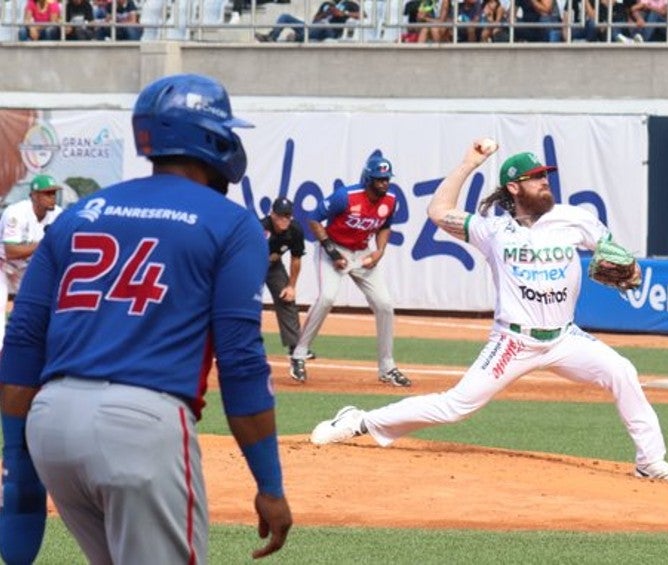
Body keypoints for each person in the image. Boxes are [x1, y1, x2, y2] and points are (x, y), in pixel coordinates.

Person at [0, 73, 292, 564]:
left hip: (51, 426)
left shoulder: (80, 213)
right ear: (212, 140)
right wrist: (270, 485)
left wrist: (18, 470)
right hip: (141, 426)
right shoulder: (232, 222)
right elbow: (241, 361)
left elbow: (23, 343)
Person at [308, 143, 668, 484]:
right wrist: (467, 163)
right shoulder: (490, 230)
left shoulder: (574, 219)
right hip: (513, 340)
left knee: (622, 371)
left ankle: (650, 461)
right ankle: (359, 421)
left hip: (564, 337)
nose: (545, 182)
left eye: (546, 176)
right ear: (514, 187)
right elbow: (438, 210)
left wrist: (631, 270)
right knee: (456, 406)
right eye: (535, 177)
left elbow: (618, 257)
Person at [289, 151, 409, 387]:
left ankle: (387, 367)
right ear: (368, 179)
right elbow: (314, 219)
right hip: (333, 248)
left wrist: (380, 251)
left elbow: (385, 226)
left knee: (384, 304)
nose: (384, 183)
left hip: (362, 252)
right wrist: (332, 252)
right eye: (379, 179)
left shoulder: (390, 200)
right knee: (326, 297)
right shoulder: (345, 196)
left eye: (386, 179)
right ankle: (299, 354)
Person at [0, 174, 63, 353]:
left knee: (36, 308)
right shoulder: (16, 213)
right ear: (34, 196)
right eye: (47, 193)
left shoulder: (58, 214)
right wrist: (45, 242)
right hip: (3, 267)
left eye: (53, 193)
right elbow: (12, 252)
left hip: (27, 270)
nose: (52, 197)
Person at [262, 196, 312, 358]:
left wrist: (291, 286)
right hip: (250, 266)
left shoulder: (295, 230)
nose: (284, 219)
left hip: (273, 267)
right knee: (242, 302)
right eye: (280, 215)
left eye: (287, 216)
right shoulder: (260, 228)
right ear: (272, 214)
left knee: (287, 298)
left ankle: (295, 347)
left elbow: (296, 258)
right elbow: (244, 253)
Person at [255, 0, 360, 42]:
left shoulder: (350, 4)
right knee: (285, 16)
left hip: (331, 32)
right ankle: (272, 37)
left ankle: (298, 38)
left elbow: (362, 15)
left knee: (324, 24)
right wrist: (326, 13)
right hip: (314, 29)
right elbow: (314, 21)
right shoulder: (327, 4)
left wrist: (343, 14)